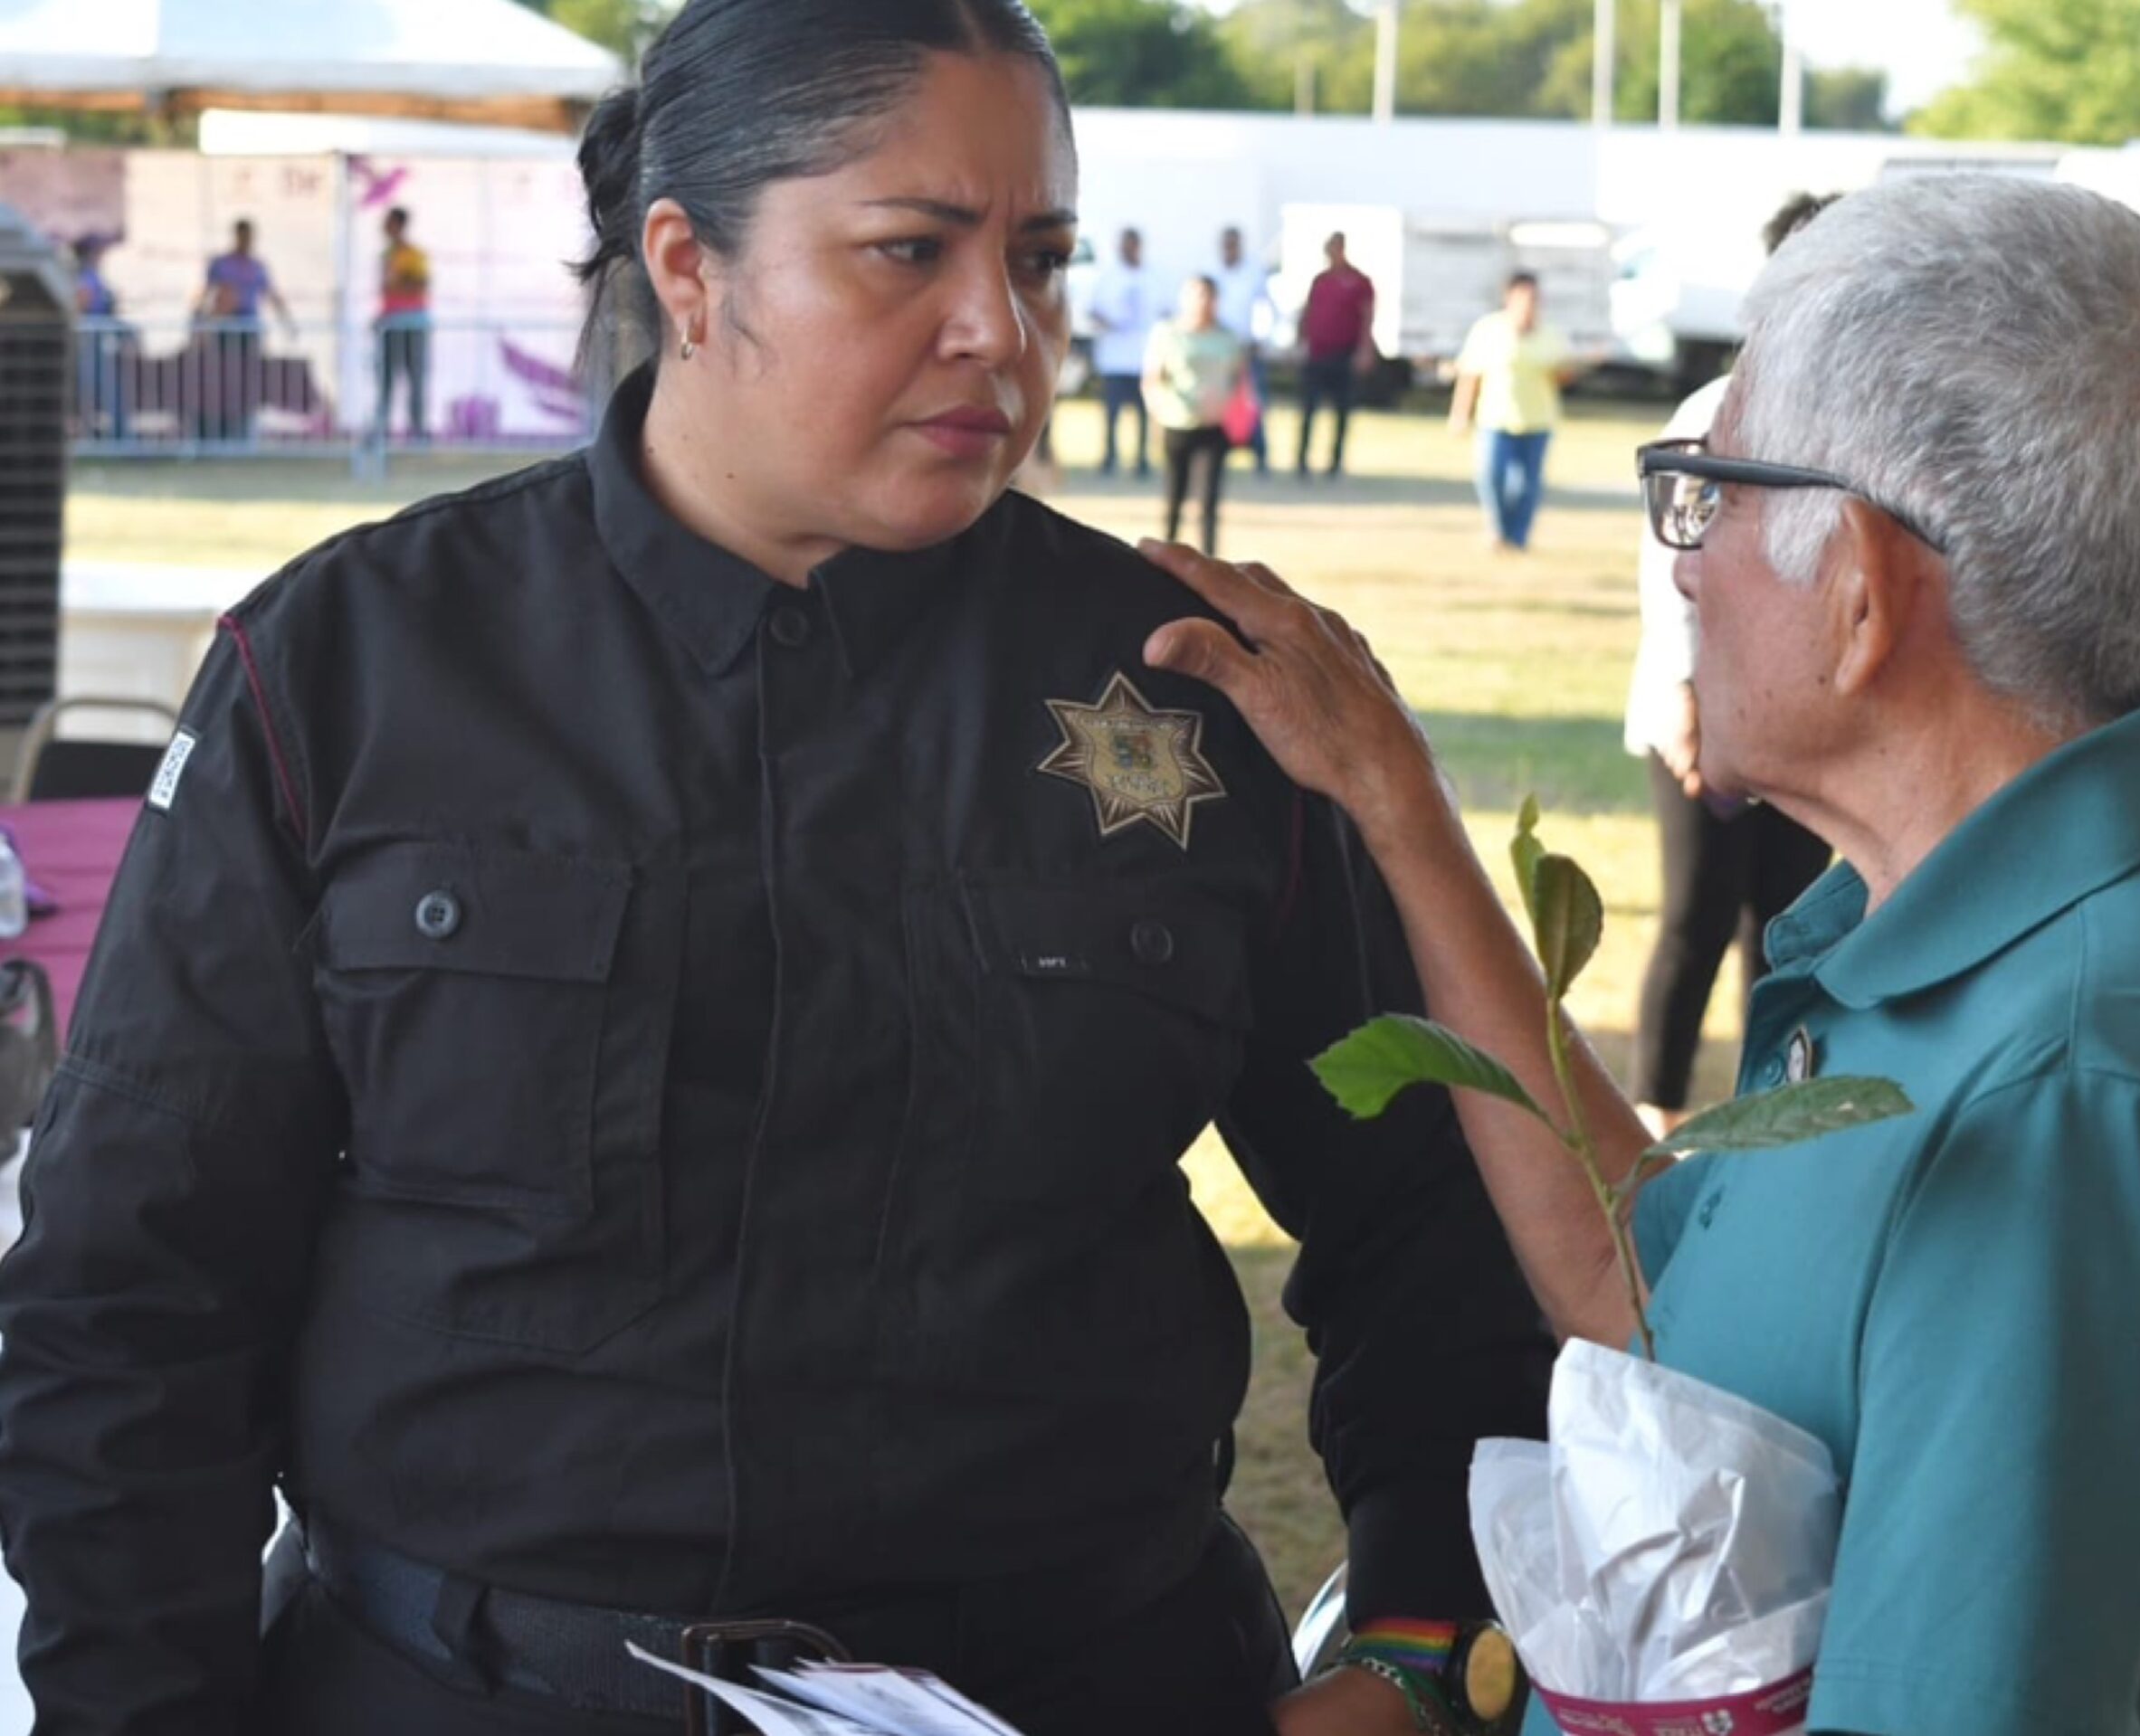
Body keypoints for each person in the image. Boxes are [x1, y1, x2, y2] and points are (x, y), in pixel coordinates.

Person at [0, 5, 1555, 1735]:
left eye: (1040, 259)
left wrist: (1424, 1644)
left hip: (1089, 1678)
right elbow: (130, 1296)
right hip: (461, 1685)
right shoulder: (358, 668)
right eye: (912, 252)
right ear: (688, 265)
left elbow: (1436, 1222)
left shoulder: (1189, 680)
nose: (1003, 331)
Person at [1142, 175, 2140, 1735]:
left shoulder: (2063, 1094)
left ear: (1864, 594)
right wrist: (1398, 806)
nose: (1684, 560)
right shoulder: (1981, 937)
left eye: (1714, 492)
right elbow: (1653, 1301)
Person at [1623, 194, 1837, 1139]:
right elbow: (1667, 565)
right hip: (1702, 713)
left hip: (1807, 718)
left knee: (1789, 924)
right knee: (1694, 916)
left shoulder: (1854, 413)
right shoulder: (1715, 409)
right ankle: (1656, 1117)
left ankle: (1771, 1114)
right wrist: (1682, 694)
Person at [1447, 272, 1572, 554]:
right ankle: (1499, 530)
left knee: (1527, 486)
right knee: (1492, 478)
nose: (1531, 304)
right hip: (1496, 417)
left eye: (1535, 298)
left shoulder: (1550, 333)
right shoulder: (1489, 330)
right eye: (1526, 297)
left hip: (1537, 419)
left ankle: (1518, 539)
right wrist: (1459, 414)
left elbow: (1562, 375)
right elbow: (1470, 375)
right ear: (1510, 298)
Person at [1144, 273, 1244, 555]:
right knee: (1175, 495)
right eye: (1197, 295)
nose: (1203, 302)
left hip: (1214, 426)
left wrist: (1230, 407)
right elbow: (1153, 379)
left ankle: (1210, 557)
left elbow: (1239, 379)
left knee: (1209, 499)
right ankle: (1167, 554)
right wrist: (1160, 409)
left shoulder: (1227, 338)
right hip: (1178, 423)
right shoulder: (1168, 333)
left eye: (1208, 296)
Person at [194, 217, 296, 441]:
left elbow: (272, 295)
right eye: (243, 235)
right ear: (236, 235)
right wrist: (199, 323)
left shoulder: (258, 266)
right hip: (224, 329)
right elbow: (206, 293)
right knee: (221, 379)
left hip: (249, 330)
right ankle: (218, 431)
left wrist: (287, 322)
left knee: (248, 381)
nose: (247, 240)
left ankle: (244, 432)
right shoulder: (221, 264)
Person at [1296, 232, 1374, 481]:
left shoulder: (1359, 282)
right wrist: (1301, 340)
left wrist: (1365, 349)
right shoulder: (1321, 280)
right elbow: (1308, 311)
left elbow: (1366, 317)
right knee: (1309, 409)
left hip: (1344, 353)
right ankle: (1302, 461)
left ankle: (1335, 462)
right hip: (1318, 353)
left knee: (1341, 411)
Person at [1087, 223, 1152, 478]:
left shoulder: (1152, 276)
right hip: (1114, 357)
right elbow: (1093, 310)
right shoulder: (1108, 276)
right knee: (1112, 413)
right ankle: (1109, 457)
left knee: (1142, 414)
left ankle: (1141, 459)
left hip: (1143, 357)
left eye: (1132, 244)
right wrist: (1108, 322)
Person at [1214, 224, 1274, 474]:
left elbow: (1267, 309)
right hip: (1215, 349)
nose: (1229, 249)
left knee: (1252, 402)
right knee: (1218, 403)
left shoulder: (1253, 273)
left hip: (1245, 349)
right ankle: (1219, 451)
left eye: (1233, 244)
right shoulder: (1212, 272)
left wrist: (1259, 340)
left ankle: (1259, 454)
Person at [376, 204, 433, 443]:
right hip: (390, 324)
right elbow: (389, 291)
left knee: (415, 377)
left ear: (399, 225)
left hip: (413, 324)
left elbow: (420, 285)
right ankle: (382, 431)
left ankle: (417, 431)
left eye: (388, 222)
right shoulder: (386, 256)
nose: (384, 227)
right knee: (386, 378)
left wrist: (398, 283)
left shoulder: (415, 255)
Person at [70, 234, 128, 441]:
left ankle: (110, 436)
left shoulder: (91, 274)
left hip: (95, 340)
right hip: (88, 340)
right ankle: (116, 438)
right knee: (97, 390)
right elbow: (81, 304)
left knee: (96, 390)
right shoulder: (85, 276)